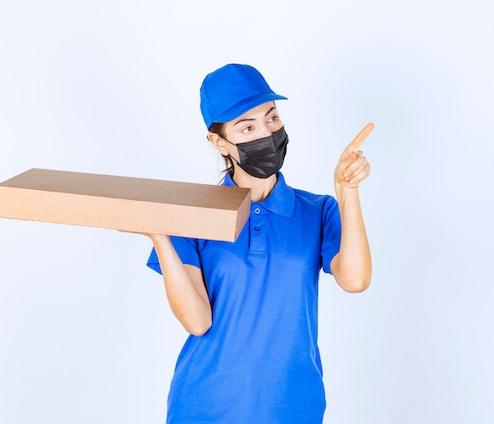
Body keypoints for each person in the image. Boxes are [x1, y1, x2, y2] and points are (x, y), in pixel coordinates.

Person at [145, 63, 372, 423]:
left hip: (293, 405)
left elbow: (355, 280)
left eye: (272, 118)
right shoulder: (189, 216)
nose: (266, 133)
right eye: (247, 127)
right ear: (219, 142)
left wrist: (347, 192)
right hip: (205, 405)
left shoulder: (316, 210)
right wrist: (159, 234)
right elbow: (197, 321)